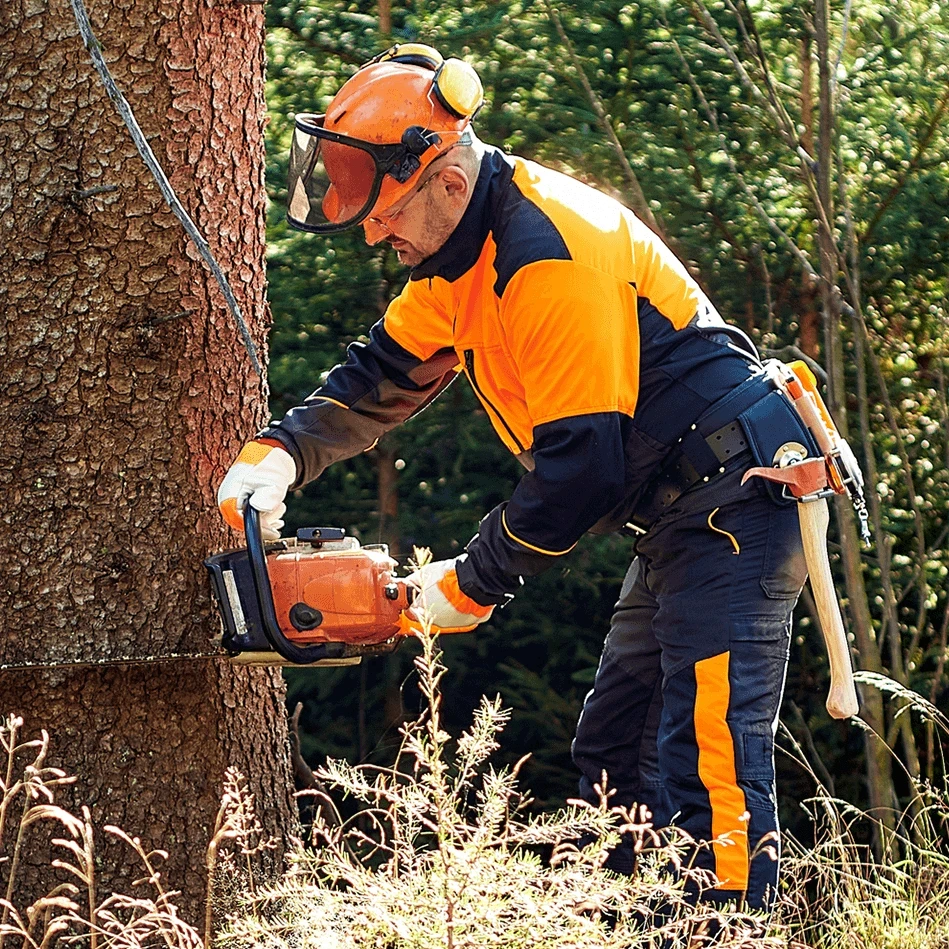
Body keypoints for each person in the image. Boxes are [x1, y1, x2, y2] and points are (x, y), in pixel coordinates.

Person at [217, 44, 818, 910]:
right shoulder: (455, 258)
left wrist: (471, 581)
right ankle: (631, 925)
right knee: (616, 750)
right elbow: (381, 374)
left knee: (708, 756)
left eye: (386, 214)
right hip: (682, 511)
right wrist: (279, 453)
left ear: (448, 185)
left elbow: (580, 473)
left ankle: (723, 931)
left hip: (736, 499)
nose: (377, 234)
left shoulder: (545, 259)